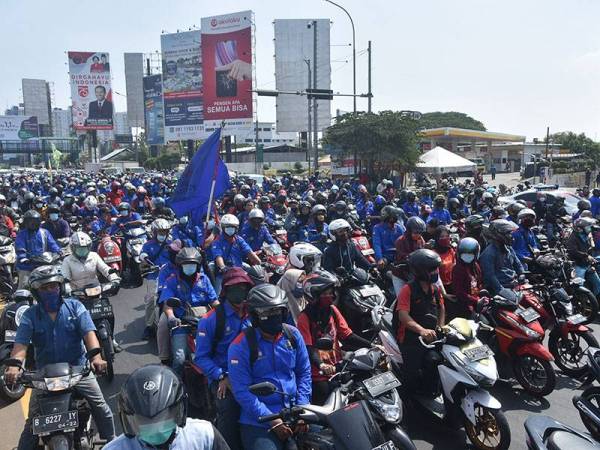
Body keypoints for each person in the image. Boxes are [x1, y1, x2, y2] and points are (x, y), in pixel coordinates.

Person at [5, 266, 115, 448]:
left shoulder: (75, 307)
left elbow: (89, 334)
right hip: (44, 376)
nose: (50, 291)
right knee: (32, 421)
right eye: (44, 288)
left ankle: (113, 442)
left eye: (53, 286)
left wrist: (96, 358)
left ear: (60, 287)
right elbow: (21, 345)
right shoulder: (29, 316)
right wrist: (14, 366)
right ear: (36, 291)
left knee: (101, 407)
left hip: (79, 370)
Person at [228, 284, 311, 450]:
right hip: (260, 422)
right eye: (268, 313)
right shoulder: (240, 346)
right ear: (255, 316)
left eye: (277, 311)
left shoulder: (293, 335)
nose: (274, 316)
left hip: (296, 412)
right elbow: (242, 391)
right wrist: (272, 419)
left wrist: (303, 410)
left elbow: (304, 373)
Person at [194, 268, 254, 450]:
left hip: (253, 373)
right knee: (229, 408)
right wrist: (222, 376)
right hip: (224, 377)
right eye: (235, 287)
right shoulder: (211, 320)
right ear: (225, 291)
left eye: (244, 287)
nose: (241, 291)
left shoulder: (255, 314)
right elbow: (201, 358)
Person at [105, 364, 230, 450]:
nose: (156, 428)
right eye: (145, 420)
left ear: (177, 413)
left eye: (162, 418)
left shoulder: (204, 435)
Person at [297, 270, 371, 405]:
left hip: (339, 368)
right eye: (326, 293)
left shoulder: (333, 311)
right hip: (318, 375)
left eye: (331, 292)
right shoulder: (304, 318)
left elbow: (347, 335)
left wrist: (372, 346)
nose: (330, 296)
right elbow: (308, 348)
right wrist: (322, 364)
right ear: (314, 295)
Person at [159, 248, 218, 375]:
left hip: (205, 323)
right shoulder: (172, 281)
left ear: (197, 266)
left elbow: (214, 301)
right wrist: (171, 317)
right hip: (182, 324)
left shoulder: (204, 280)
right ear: (180, 266)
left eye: (192, 265)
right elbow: (167, 305)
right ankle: (176, 385)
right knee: (179, 359)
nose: (189, 268)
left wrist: (223, 313)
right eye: (186, 265)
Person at [395, 249, 445, 392]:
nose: (436, 272)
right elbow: (403, 316)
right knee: (412, 374)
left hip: (431, 335)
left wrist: (440, 327)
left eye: (436, 268)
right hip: (410, 337)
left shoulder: (435, 289)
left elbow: (441, 308)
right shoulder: (407, 289)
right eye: (432, 269)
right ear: (421, 271)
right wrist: (421, 331)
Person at [211, 214, 261, 295]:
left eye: (233, 227)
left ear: (236, 228)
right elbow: (218, 256)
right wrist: (223, 267)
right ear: (223, 228)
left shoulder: (239, 239)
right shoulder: (217, 241)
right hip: (224, 274)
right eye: (227, 227)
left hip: (239, 271)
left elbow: (249, 252)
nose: (230, 229)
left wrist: (260, 263)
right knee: (218, 296)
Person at [140, 218, 173, 340]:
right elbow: (143, 256)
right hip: (154, 275)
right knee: (150, 299)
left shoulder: (171, 243)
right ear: (154, 232)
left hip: (170, 275)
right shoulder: (148, 245)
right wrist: (147, 261)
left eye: (164, 232)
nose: (162, 234)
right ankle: (149, 326)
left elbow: (178, 254)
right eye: (160, 232)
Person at [277, 242, 322, 323]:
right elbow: (299, 291)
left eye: (313, 261)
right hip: (293, 318)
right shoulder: (291, 273)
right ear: (297, 258)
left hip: (301, 314)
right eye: (309, 260)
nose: (312, 264)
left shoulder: (301, 273)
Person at [15, 209, 61, 288]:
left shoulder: (45, 232)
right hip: (27, 265)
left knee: (57, 278)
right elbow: (20, 247)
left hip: (44, 262)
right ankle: (20, 299)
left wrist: (58, 251)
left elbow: (52, 244)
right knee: (24, 285)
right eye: (30, 221)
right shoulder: (22, 234)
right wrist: (23, 257)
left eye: (35, 221)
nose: (33, 223)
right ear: (26, 222)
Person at [479, 219, 524, 295]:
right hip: (500, 289)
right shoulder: (488, 254)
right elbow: (490, 277)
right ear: (497, 235)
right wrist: (501, 290)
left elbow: (518, 264)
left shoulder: (509, 248)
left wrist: (522, 274)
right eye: (508, 233)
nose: (511, 236)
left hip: (514, 285)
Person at [566, 217, 600, 298]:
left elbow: (589, 250)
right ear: (580, 229)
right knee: (579, 288)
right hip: (578, 265)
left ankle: (595, 302)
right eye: (587, 227)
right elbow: (573, 252)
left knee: (598, 284)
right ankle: (580, 304)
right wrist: (586, 256)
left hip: (587, 264)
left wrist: (591, 261)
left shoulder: (586, 236)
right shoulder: (573, 238)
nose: (589, 229)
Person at [450, 238, 483, 320]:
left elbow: (479, 283)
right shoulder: (458, 269)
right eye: (465, 253)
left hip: (477, 301)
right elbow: (459, 292)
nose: (468, 256)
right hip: (465, 306)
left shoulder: (475, 266)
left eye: (471, 253)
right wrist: (476, 300)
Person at [373, 206, 406, 275]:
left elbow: (405, 240)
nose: (392, 225)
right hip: (386, 257)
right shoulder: (377, 228)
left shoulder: (399, 227)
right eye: (391, 220)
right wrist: (380, 259)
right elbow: (377, 244)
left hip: (399, 256)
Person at [432, 225, 456, 294]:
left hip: (453, 284)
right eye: (442, 237)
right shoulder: (434, 254)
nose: (445, 238)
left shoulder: (451, 250)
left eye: (447, 236)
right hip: (440, 288)